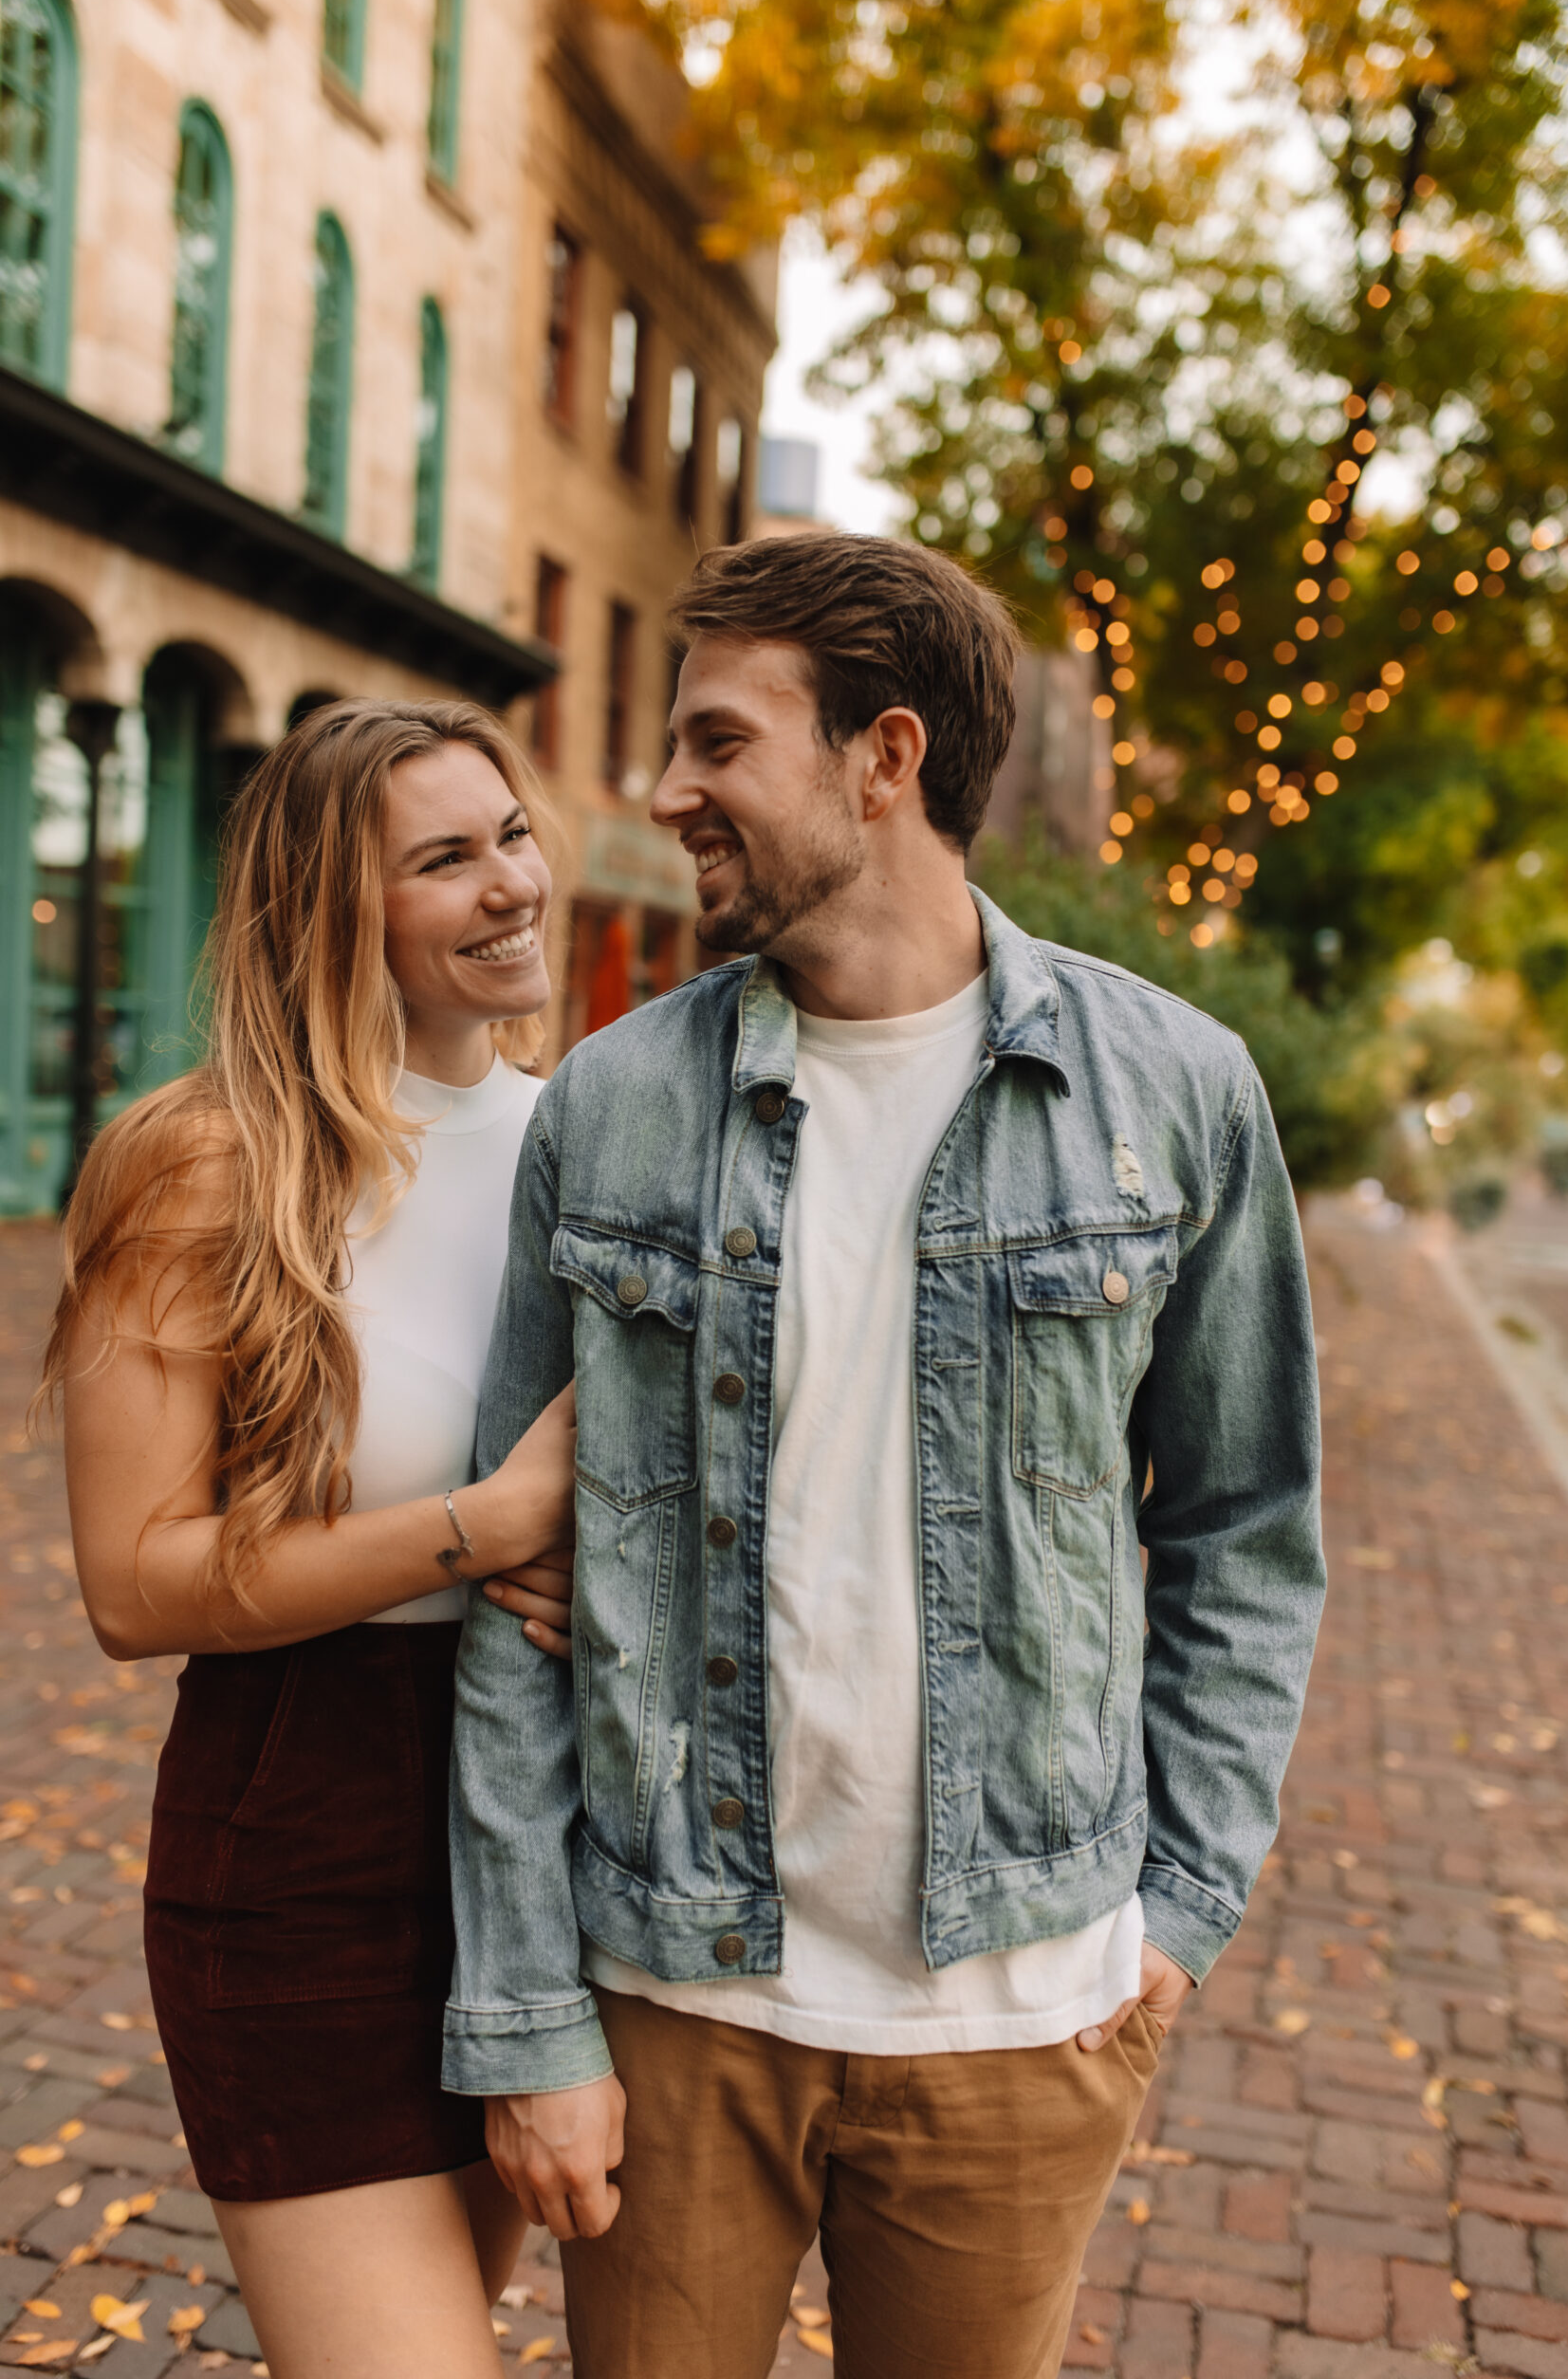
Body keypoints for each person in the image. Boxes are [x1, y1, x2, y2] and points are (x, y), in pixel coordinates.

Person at [446, 535, 1328, 2379]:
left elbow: (1246, 1527)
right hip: (676, 1989)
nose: (666, 788)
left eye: (714, 740)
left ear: (883, 756)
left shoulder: (1170, 1090)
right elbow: (516, 1602)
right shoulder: (610, 1103)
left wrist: (1173, 1904)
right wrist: (529, 2011)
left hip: (1017, 2016)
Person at [41, 699, 580, 2379]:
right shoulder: (207, 1164)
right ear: (336, 911)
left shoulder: (594, 1141)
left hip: (555, 1833)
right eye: (446, 859)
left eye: (511, 833)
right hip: (306, 1834)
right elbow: (135, 1586)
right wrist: (474, 1529)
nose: (513, 885)